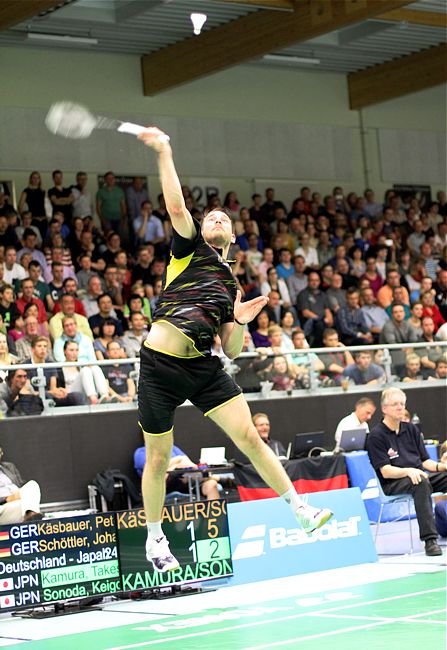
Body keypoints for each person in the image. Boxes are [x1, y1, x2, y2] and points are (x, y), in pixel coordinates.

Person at [136, 126, 332, 572]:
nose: (217, 219)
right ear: (201, 230)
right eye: (211, 217)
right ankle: (154, 538)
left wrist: (240, 321)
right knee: (159, 458)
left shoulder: (231, 284)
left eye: (224, 218)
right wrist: (165, 151)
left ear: (235, 237)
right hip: (159, 366)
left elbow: (233, 348)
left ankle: (301, 511)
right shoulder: (189, 252)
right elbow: (175, 205)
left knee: (250, 437)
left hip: (204, 366)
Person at [366, 387, 447, 556]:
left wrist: (442, 467)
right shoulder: (376, 436)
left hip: (419, 475)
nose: (400, 407)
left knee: (423, 478)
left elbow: (426, 462)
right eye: (395, 404)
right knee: (420, 482)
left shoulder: (411, 429)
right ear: (384, 409)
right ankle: (430, 540)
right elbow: (386, 471)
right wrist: (409, 471)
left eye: (402, 404)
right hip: (393, 483)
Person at [0, 446, 42, 524]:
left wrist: (20, 495)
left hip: (18, 500)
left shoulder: (8, 467)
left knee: (32, 484)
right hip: (3, 506)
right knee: (22, 505)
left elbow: (22, 485)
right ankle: (31, 518)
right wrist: (6, 499)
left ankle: (30, 515)